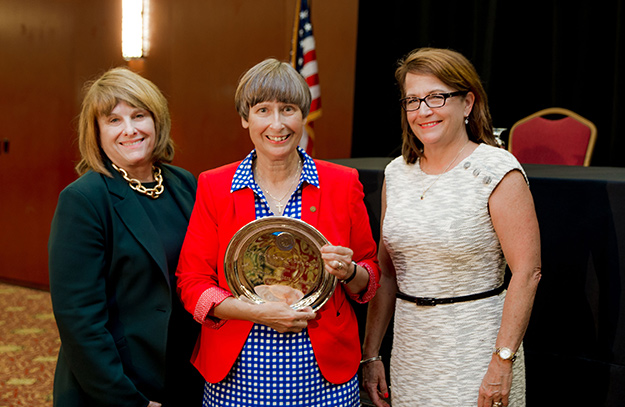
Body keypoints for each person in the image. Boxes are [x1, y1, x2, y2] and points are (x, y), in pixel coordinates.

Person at [176, 58, 380, 406]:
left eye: (287, 109)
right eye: (262, 110)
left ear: (303, 116)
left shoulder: (342, 184)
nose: (276, 123)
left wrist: (350, 272)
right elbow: (192, 283)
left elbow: (371, 276)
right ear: (245, 118)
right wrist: (257, 313)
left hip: (323, 374)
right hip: (238, 376)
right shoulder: (214, 185)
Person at [362, 48, 542, 407]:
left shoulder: (497, 169)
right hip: (412, 352)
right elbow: (387, 271)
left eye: (437, 97)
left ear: (468, 102)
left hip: (476, 353)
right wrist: (371, 354)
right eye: (413, 100)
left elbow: (527, 272)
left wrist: (502, 360)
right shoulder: (397, 173)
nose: (423, 111)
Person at [48, 67, 204, 407]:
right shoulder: (85, 199)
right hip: (115, 386)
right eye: (114, 120)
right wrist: (127, 399)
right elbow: (79, 319)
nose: (130, 130)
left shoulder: (185, 185)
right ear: (97, 132)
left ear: (157, 121)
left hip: (181, 376)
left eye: (139, 115)